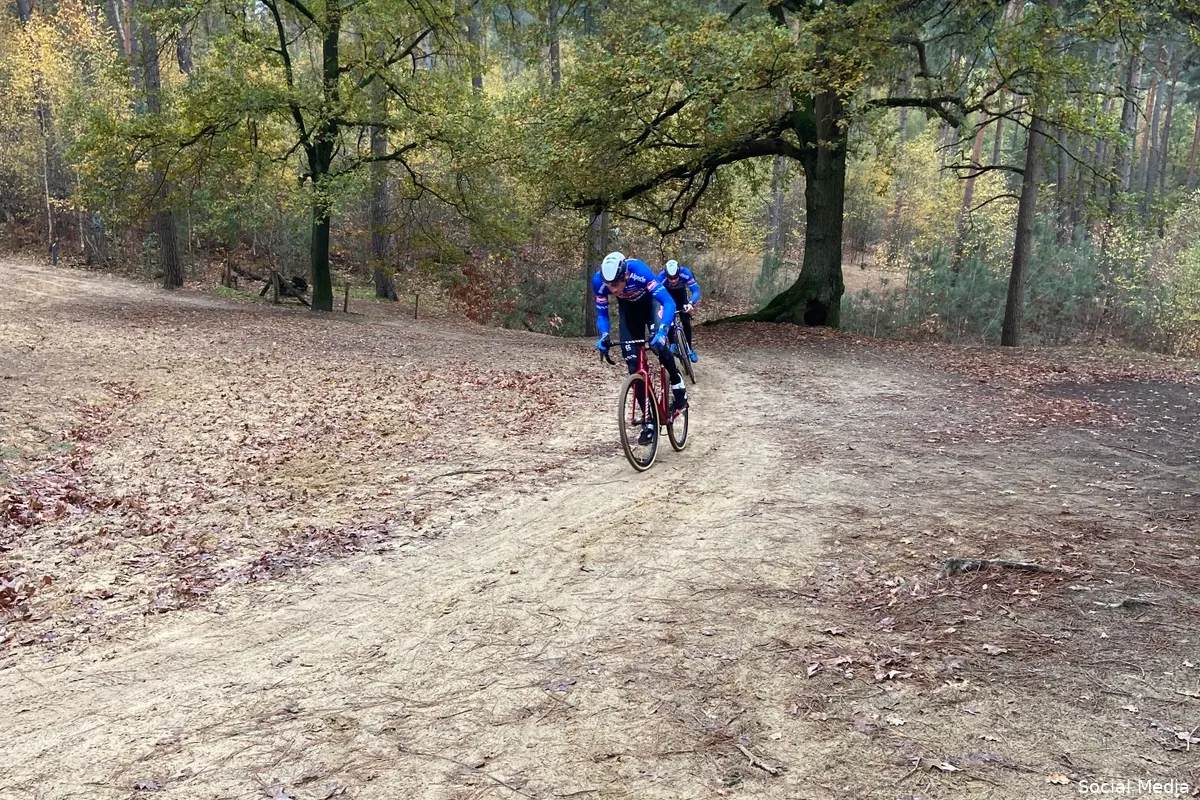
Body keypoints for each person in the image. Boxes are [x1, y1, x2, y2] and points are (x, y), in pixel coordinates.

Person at [593, 252, 688, 443]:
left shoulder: (640, 272)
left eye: (616, 285)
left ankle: (678, 386)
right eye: (609, 286)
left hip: (651, 306)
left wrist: (662, 331)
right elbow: (602, 314)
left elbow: (668, 302)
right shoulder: (599, 282)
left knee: (659, 347)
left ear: (625, 276)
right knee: (632, 366)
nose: (613, 289)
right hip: (629, 312)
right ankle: (649, 422)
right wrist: (604, 335)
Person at [658, 259, 701, 362]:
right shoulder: (660, 277)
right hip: (668, 297)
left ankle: (690, 349)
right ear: (666, 274)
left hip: (681, 297)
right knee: (669, 321)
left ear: (679, 272)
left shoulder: (685, 273)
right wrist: (660, 307)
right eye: (670, 278)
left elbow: (696, 291)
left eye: (675, 277)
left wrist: (691, 303)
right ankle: (672, 344)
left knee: (686, 321)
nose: (673, 281)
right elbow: (655, 295)